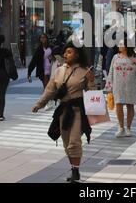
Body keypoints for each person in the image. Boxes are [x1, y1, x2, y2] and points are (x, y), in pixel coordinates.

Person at [32, 41, 95, 183]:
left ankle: (76, 172)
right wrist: (39, 104)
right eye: (65, 52)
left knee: (74, 142)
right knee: (66, 143)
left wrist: (91, 81)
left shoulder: (85, 70)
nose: (65, 54)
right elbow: (50, 90)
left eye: (69, 52)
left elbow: (92, 93)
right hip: (63, 110)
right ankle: (74, 169)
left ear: (77, 55)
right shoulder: (59, 71)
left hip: (78, 110)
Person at [105, 40, 136, 137]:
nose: (119, 46)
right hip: (118, 85)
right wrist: (109, 85)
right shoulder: (115, 57)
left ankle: (128, 128)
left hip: (131, 85)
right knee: (118, 105)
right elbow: (111, 71)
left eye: (121, 44)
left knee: (130, 105)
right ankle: (121, 127)